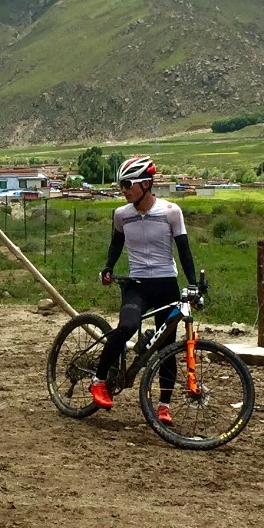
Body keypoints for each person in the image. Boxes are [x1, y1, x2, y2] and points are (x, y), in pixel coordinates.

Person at [89, 155, 200, 425]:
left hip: (166, 284)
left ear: (146, 184)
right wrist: (108, 267)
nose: (123, 190)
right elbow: (116, 245)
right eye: (121, 185)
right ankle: (99, 380)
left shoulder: (171, 212)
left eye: (127, 184)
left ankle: (163, 406)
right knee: (126, 327)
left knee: (166, 347)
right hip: (136, 285)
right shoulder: (121, 215)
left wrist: (193, 282)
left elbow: (184, 250)